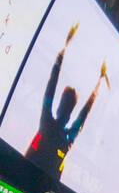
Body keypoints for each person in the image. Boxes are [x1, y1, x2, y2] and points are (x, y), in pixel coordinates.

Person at [25, 24, 109, 177]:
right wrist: (99, 82)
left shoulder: (46, 121)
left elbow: (52, 84)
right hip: (44, 185)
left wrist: (65, 47)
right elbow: (84, 114)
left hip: (26, 173)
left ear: (58, 108)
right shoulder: (68, 136)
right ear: (70, 114)